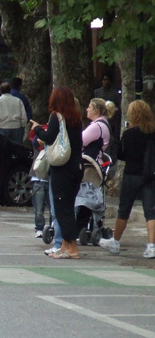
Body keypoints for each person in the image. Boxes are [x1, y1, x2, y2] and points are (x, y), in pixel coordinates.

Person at [30, 86, 83, 259]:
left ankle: (72, 247)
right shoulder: (75, 118)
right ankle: (66, 246)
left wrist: (38, 129)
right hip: (76, 167)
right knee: (68, 206)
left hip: (63, 169)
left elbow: (49, 137)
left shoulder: (56, 117)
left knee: (62, 209)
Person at [99, 99, 155, 259]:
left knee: (124, 210)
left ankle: (115, 242)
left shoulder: (129, 134)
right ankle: (152, 245)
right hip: (149, 175)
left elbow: (121, 155)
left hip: (131, 174)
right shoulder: (152, 133)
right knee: (150, 211)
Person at [29, 127, 49, 239]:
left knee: (53, 209)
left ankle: (52, 228)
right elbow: (34, 140)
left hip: (50, 180)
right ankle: (39, 228)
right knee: (39, 209)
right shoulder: (38, 148)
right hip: (38, 179)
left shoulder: (53, 148)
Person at [82, 98, 115, 162]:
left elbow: (79, 141)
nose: (87, 109)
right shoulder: (102, 123)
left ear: (96, 111)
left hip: (91, 165)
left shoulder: (97, 126)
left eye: (89, 107)